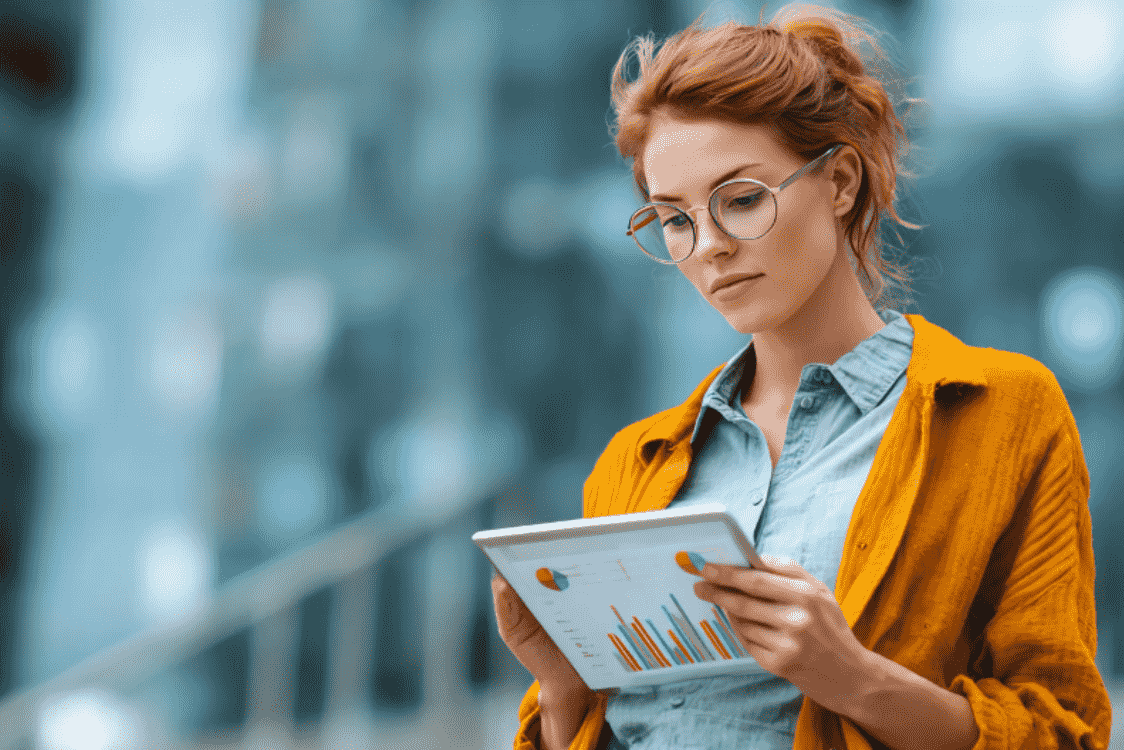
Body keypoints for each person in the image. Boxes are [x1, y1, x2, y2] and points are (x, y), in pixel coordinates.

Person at [490, 4, 1112, 749]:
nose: (709, 246)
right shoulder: (634, 464)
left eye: (742, 200)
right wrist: (562, 687)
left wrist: (852, 678)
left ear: (840, 182)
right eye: (676, 220)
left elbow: (1063, 733)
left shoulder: (997, 413)